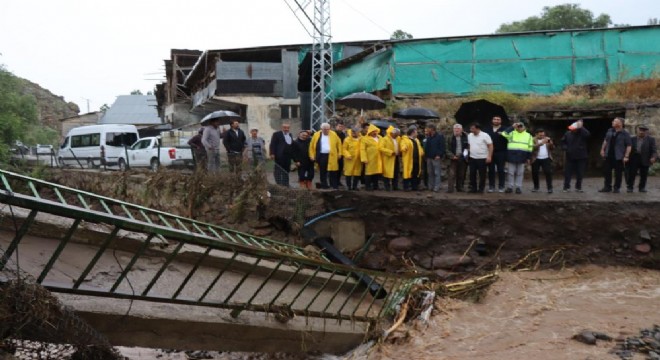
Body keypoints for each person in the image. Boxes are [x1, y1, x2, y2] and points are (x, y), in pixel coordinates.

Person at [599, 117, 632, 193]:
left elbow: (629, 145)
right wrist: (602, 149)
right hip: (608, 155)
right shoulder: (610, 130)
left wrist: (626, 156)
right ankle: (607, 187)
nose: (612, 122)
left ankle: (616, 188)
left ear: (620, 124)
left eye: (615, 121)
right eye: (613, 121)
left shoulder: (625, 133)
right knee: (607, 172)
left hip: (618, 156)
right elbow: (605, 140)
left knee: (618, 173)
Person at [501, 121, 534, 194]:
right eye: (518, 126)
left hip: (522, 156)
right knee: (510, 172)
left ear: (524, 127)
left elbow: (530, 147)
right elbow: (503, 133)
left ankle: (518, 187)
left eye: (521, 126)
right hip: (511, 155)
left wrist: (528, 158)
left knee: (520, 173)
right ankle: (510, 187)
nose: (519, 127)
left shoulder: (528, 136)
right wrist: (512, 127)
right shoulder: (512, 133)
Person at [309, 123, 342, 189]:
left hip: (332, 155)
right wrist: (311, 155)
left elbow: (339, 144)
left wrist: (340, 153)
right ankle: (324, 185)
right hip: (321, 156)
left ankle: (334, 185)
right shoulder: (316, 135)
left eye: (328, 129)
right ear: (321, 129)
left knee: (333, 171)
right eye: (325, 129)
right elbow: (311, 146)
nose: (326, 131)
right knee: (323, 171)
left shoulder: (333, 134)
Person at [560, 120, 590, 192]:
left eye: (573, 128)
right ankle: (566, 187)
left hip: (581, 156)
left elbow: (588, 134)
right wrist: (565, 148)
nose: (571, 129)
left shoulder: (582, 133)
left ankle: (578, 187)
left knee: (580, 173)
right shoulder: (567, 134)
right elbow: (563, 142)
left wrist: (581, 127)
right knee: (568, 173)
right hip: (570, 156)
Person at [626, 124, 657, 193]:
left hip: (645, 158)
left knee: (644, 174)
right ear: (637, 131)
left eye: (643, 131)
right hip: (634, 158)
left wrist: (653, 157)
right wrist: (626, 156)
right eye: (640, 130)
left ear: (646, 132)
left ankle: (642, 188)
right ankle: (630, 187)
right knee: (631, 173)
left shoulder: (651, 139)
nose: (641, 132)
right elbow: (627, 148)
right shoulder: (632, 139)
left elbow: (654, 150)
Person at [467, 123, 493, 193]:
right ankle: (473, 188)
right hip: (472, 157)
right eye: (470, 128)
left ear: (477, 128)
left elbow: (490, 146)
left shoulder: (485, 135)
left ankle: (481, 189)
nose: (471, 130)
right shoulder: (470, 135)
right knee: (472, 173)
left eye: (472, 128)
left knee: (482, 174)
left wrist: (489, 156)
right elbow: (469, 145)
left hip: (482, 158)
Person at [484, 116, 508, 192]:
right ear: (492, 120)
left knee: (501, 170)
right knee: (491, 170)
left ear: (501, 121)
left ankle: (501, 186)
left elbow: (510, 139)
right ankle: (491, 186)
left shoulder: (505, 129)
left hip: (501, 152)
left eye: (498, 119)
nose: (496, 121)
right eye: (495, 119)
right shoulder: (487, 129)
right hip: (490, 152)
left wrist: (504, 134)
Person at [531, 128, 554, 193]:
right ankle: (536, 187)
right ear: (536, 134)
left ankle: (550, 188)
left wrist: (551, 143)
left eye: (543, 135)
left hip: (546, 158)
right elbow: (532, 148)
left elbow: (552, 148)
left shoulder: (547, 139)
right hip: (536, 159)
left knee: (548, 172)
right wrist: (541, 143)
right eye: (540, 135)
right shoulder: (532, 139)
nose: (542, 136)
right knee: (535, 173)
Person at [360, 124, 383, 191]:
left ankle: (375, 186)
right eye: (373, 131)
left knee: (376, 172)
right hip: (370, 158)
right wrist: (364, 158)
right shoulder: (365, 139)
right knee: (369, 173)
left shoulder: (380, 137)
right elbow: (362, 149)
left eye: (376, 131)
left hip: (378, 158)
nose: (375, 132)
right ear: (370, 132)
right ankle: (368, 186)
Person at [423, 123, 446, 192]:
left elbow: (442, 147)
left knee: (437, 173)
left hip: (436, 158)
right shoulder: (429, 137)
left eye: (428, 129)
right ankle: (430, 186)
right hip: (429, 157)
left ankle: (437, 187)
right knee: (430, 173)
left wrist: (439, 155)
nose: (427, 130)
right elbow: (427, 147)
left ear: (432, 129)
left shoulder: (439, 137)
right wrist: (426, 156)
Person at [446, 124, 468, 193]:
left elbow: (468, 147)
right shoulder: (449, 137)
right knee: (451, 174)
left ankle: (460, 188)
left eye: (458, 129)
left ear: (461, 130)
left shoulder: (466, 137)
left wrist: (465, 155)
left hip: (462, 158)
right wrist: (452, 156)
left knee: (461, 174)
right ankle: (450, 189)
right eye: (455, 128)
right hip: (453, 158)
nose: (456, 130)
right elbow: (446, 148)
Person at [342, 126, 362, 190]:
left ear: (358, 132)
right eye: (352, 131)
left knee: (357, 173)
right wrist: (347, 155)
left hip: (358, 159)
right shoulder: (347, 139)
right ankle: (348, 186)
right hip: (349, 159)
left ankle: (355, 186)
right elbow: (344, 149)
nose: (353, 133)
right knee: (348, 173)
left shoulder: (362, 139)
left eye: (355, 132)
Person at [335, 122, 347, 187]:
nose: (340, 128)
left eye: (342, 126)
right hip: (334, 152)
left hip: (341, 153)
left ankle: (338, 181)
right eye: (339, 126)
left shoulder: (343, 134)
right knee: (334, 168)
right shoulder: (333, 133)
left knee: (340, 168)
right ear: (336, 126)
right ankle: (334, 181)